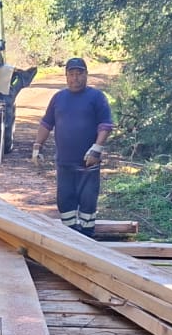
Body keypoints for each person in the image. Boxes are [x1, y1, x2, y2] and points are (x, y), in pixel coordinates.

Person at [33, 57, 115, 237]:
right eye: (71, 74)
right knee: (65, 203)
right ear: (66, 76)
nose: (75, 78)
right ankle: (69, 236)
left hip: (88, 164)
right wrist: (37, 146)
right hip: (64, 163)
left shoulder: (96, 97)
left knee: (88, 202)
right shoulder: (58, 98)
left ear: (86, 75)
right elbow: (46, 123)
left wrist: (97, 148)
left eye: (79, 74)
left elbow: (105, 125)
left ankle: (87, 236)